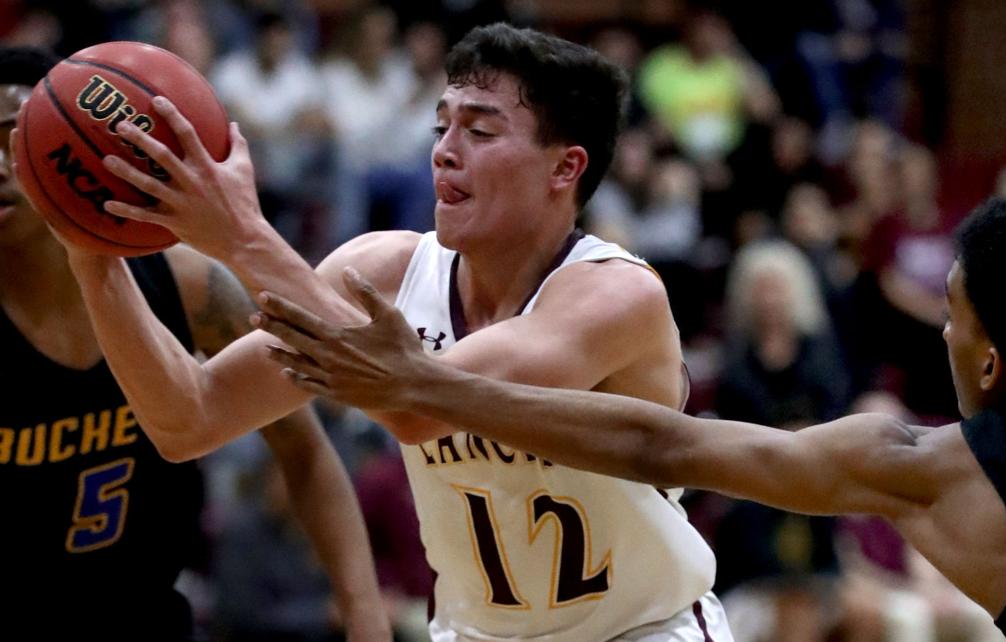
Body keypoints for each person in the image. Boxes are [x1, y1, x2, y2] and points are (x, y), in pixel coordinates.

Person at [253, 194, 1006, 640]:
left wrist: (431, 384)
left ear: (990, 359)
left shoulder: (944, 466)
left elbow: (660, 442)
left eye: (951, 315)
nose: (944, 332)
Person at [51, 24, 730, 640]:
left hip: (641, 630)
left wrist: (245, 238)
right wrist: (92, 257)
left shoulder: (616, 294)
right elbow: (186, 419)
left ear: (565, 168)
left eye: (480, 133)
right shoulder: (379, 271)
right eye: (442, 127)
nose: (444, 153)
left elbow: (419, 403)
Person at [0, 48, 389, 640]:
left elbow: (304, 450)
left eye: (9, 136)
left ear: (58, 143)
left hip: (146, 617)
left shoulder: (186, 281)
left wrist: (365, 618)